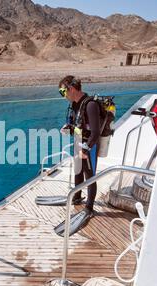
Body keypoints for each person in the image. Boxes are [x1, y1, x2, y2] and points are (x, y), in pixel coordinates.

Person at [58, 76, 101, 228]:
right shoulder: (75, 105)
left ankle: (89, 208)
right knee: (78, 171)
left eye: (63, 91)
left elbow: (96, 132)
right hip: (78, 144)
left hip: (90, 146)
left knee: (89, 176)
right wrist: (69, 128)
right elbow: (79, 125)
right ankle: (77, 197)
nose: (63, 95)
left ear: (72, 88)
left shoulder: (91, 105)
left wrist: (86, 148)